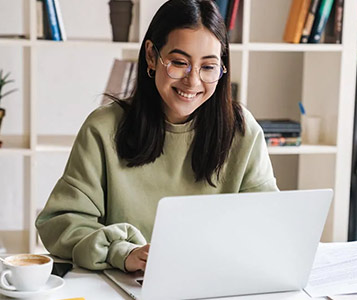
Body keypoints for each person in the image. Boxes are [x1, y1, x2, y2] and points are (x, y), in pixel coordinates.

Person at [36, 0, 278, 273]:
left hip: (216, 280)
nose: (193, 81)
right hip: (126, 283)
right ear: (152, 56)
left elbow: (266, 225)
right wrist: (121, 252)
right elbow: (60, 222)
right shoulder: (103, 129)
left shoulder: (243, 131)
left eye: (208, 67)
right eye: (179, 63)